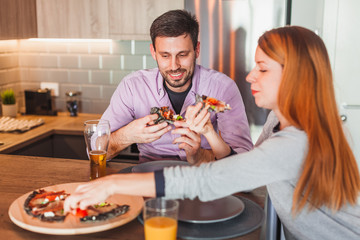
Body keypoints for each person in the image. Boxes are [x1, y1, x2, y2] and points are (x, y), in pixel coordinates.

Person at [65, 26, 360, 239]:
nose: (249, 76)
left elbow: (208, 180)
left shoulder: (295, 143)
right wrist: (208, 131)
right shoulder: (279, 121)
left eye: (263, 68)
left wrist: (109, 185)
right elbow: (253, 167)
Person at [101, 10, 253, 164]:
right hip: (148, 180)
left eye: (183, 54)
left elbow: (243, 158)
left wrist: (200, 155)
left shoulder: (222, 89)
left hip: (203, 178)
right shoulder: (133, 87)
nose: (174, 66)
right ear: (153, 52)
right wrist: (127, 135)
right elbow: (94, 148)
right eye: (165, 56)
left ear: (197, 50)